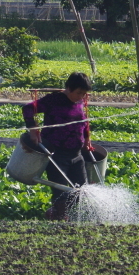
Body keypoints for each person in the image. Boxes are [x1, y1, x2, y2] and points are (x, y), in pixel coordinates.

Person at [22, 71, 95, 220]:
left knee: (81, 191)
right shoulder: (53, 100)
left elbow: (83, 122)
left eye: (84, 94)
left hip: (76, 154)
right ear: (69, 88)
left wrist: (87, 139)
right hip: (56, 154)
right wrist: (33, 129)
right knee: (61, 191)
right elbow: (28, 109)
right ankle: (61, 219)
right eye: (79, 93)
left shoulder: (79, 102)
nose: (81, 96)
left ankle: (54, 213)